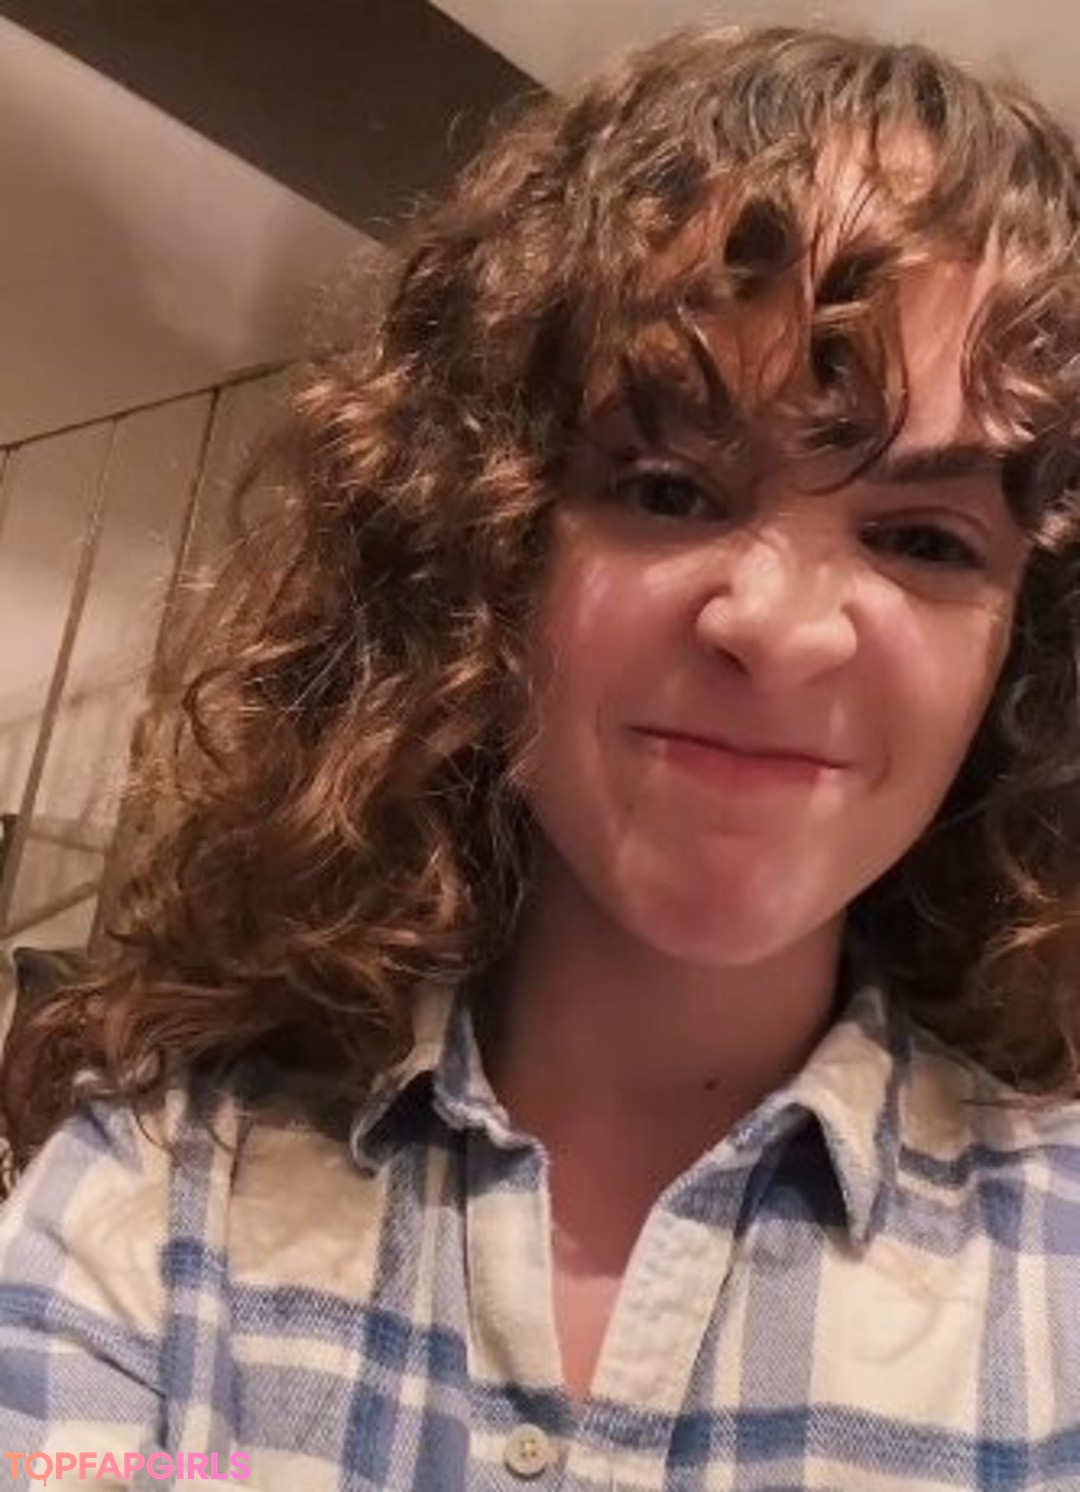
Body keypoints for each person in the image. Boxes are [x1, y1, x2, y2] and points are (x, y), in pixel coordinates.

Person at [2, 21, 1080, 1491]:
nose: (781, 629)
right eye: (668, 487)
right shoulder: (153, 1212)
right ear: (484, 553)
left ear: (1023, 657)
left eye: (924, 540)